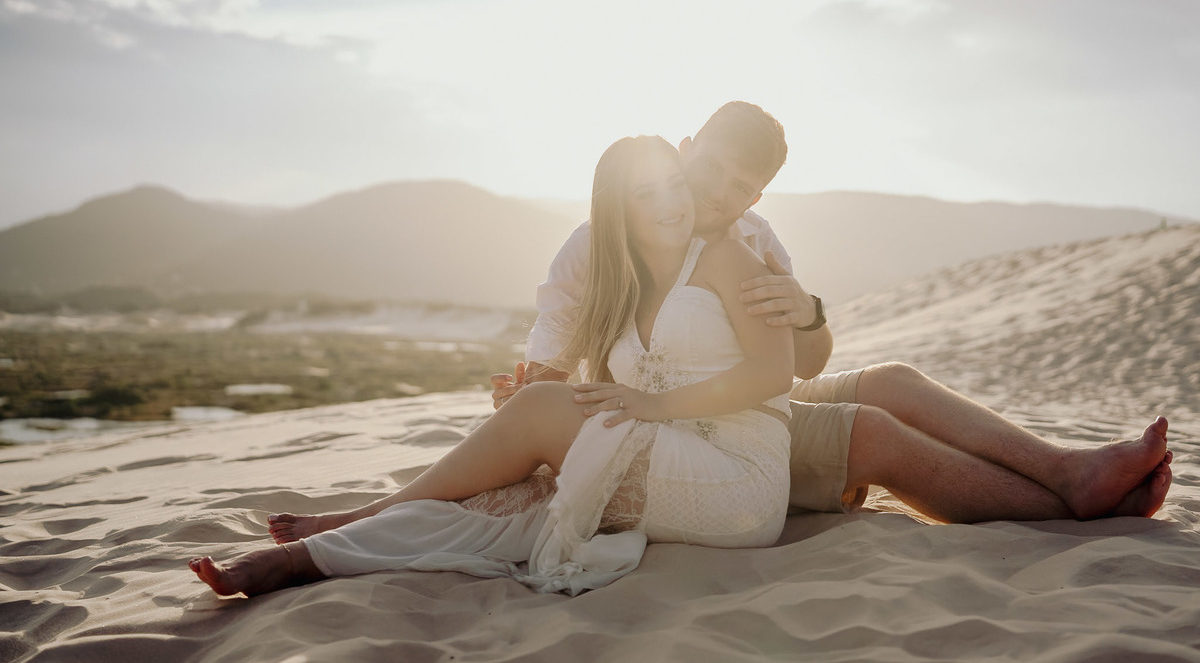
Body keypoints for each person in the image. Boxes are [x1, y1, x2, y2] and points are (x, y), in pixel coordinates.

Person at [492, 100, 1174, 524]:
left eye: (743, 187)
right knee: (871, 432)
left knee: (893, 381)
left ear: (758, 196)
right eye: (714, 170)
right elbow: (552, 348)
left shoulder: (754, 239)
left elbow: (807, 365)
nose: (721, 194)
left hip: (744, 400)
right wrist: (529, 401)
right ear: (687, 149)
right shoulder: (600, 241)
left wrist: (807, 314)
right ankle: (1074, 508)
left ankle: (1066, 470)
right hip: (681, 424)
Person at [191, 135, 797, 597]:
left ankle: (365, 512)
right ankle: (310, 557)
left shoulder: (729, 256)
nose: (672, 204)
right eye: (647, 193)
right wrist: (541, 398)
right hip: (669, 456)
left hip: (739, 481)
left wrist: (645, 405)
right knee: (504, 505)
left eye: (674, 185)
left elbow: (775, 371)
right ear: (619, 211)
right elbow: (608, 377)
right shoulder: (620, 283)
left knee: (540, 420)